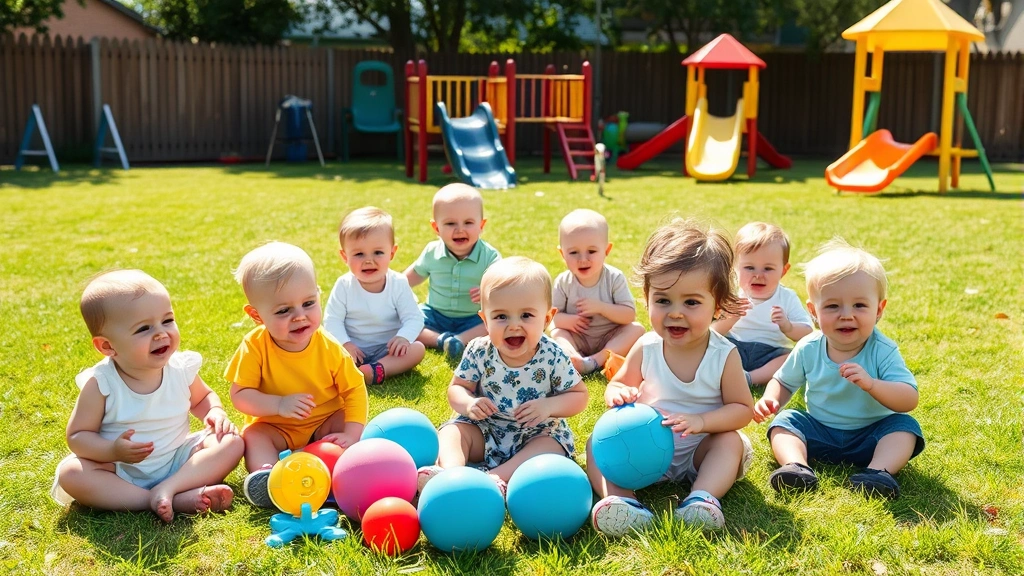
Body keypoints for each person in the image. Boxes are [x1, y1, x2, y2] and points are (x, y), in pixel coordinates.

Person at [588, 219, 755, 536]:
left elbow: (742, 409)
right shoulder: (647, 347)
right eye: (663, 300)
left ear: (717, 306)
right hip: (645, 450)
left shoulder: (723, 355)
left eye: (691, 302)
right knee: (596, 442)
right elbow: (620, 381)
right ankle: (621, 501)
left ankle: (701, 498)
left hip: (698, 450)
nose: (675, 312)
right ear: (648, 299)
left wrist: (702, 422)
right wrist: (618, 393)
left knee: (729, 443)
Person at [52, 270, 243, 523]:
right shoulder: (102, 384)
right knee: (72, 473)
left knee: (232, 441)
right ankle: (158, 499)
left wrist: (214, 411)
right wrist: (112, 450)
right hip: (121, 471)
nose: (161, 333)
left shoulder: (179, 368)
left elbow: (202, 398)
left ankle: (171, 488)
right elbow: (78, 436)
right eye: (144, 328)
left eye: (167, 320)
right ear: (107, 346)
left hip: (178, 459)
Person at [753, 239, 923, 499]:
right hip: (819, 431)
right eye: (832, 306)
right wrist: (771, 398)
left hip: (871, 436)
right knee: (785, 422)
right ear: (813, 311)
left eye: (859, 305)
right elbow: (784, 381)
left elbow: (909, 398)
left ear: (879, 310)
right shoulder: (809, 346)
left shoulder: (883, 350)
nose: (846, 315)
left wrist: (873, 385)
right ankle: (796, 466)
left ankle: (877, 473)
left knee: (904, 427)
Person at [417, 257, 589, 494]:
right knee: (452, 432)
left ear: (547, 319)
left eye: (526, 315)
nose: (514, 325)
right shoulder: (479, 349)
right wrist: (469, 403)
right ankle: (450, 475)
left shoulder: (552, 354)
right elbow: (457, 388)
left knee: (551, 447)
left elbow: (578, 395)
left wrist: (548, 406)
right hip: (486, 430)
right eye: (501, 316)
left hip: (535, 432)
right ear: (485, 320)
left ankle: (496, 478)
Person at [226, 242, 368, 508]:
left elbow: (354, 389)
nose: (300, 316)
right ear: (257, 315)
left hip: (323, 422)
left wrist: (351, 432)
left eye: (308, 303)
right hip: (277, 426)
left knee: (344, 420)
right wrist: (278, 405)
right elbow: (240, 395)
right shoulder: (254, 346)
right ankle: (268, 477)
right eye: (283, 310)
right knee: (255, 436)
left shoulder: (329, 347)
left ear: (318, 295)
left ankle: (342, 467)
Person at [323, 207, 425, 385]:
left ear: (392, 253)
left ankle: (376, 370)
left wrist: (403, 337)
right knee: (324, 349)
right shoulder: (344, 285)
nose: (368, 260)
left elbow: (414, 318)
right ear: (344, 256)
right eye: (359, 254)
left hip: (388, 350)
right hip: (352, 348)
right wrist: (346, 344)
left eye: (378, 252)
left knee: (417, 349)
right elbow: (332, 321)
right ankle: (347, 369)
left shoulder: (398, 283)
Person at [404, 183, 501, 361]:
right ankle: (441, 341)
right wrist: (395, 286)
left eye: (468, 222)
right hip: (434, 314)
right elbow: (414, 274)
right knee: (407, 322)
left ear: (481, 225)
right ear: (436, 228)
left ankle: (459, 340)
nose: (460, 229)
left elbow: (503, 284)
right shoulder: (432, 252)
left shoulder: (489, 256)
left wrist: (488, 292)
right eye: (450, 223)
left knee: (495, 323)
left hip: (474, 318)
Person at [713, 222, 814, 386]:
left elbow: (807, 334)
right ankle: (724, 376)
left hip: (771, 353)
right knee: (711, 348)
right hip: (733, 347)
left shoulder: (786, 297)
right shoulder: (731, 294)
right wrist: (730, 319)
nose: (758, 275)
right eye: (749, 267)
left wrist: (788, 327)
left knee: (792, 357)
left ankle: (751, 378)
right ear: (735, 268)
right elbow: (711, 333)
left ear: (783, 271)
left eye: (767, 269)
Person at [550, 209, 645, 376]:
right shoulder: (563, 282)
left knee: (636, 329)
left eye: (592, 251)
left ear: (606, 250)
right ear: (562, 254)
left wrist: (602, 308)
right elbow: (551, 318)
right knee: (557, 332)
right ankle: (573, 358)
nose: (583, 259)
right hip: (578, 337)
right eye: (573, 252)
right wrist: (568, 321)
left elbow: (629, 315)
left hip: (609, 337)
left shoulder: (614, 278)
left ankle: (596, 360)